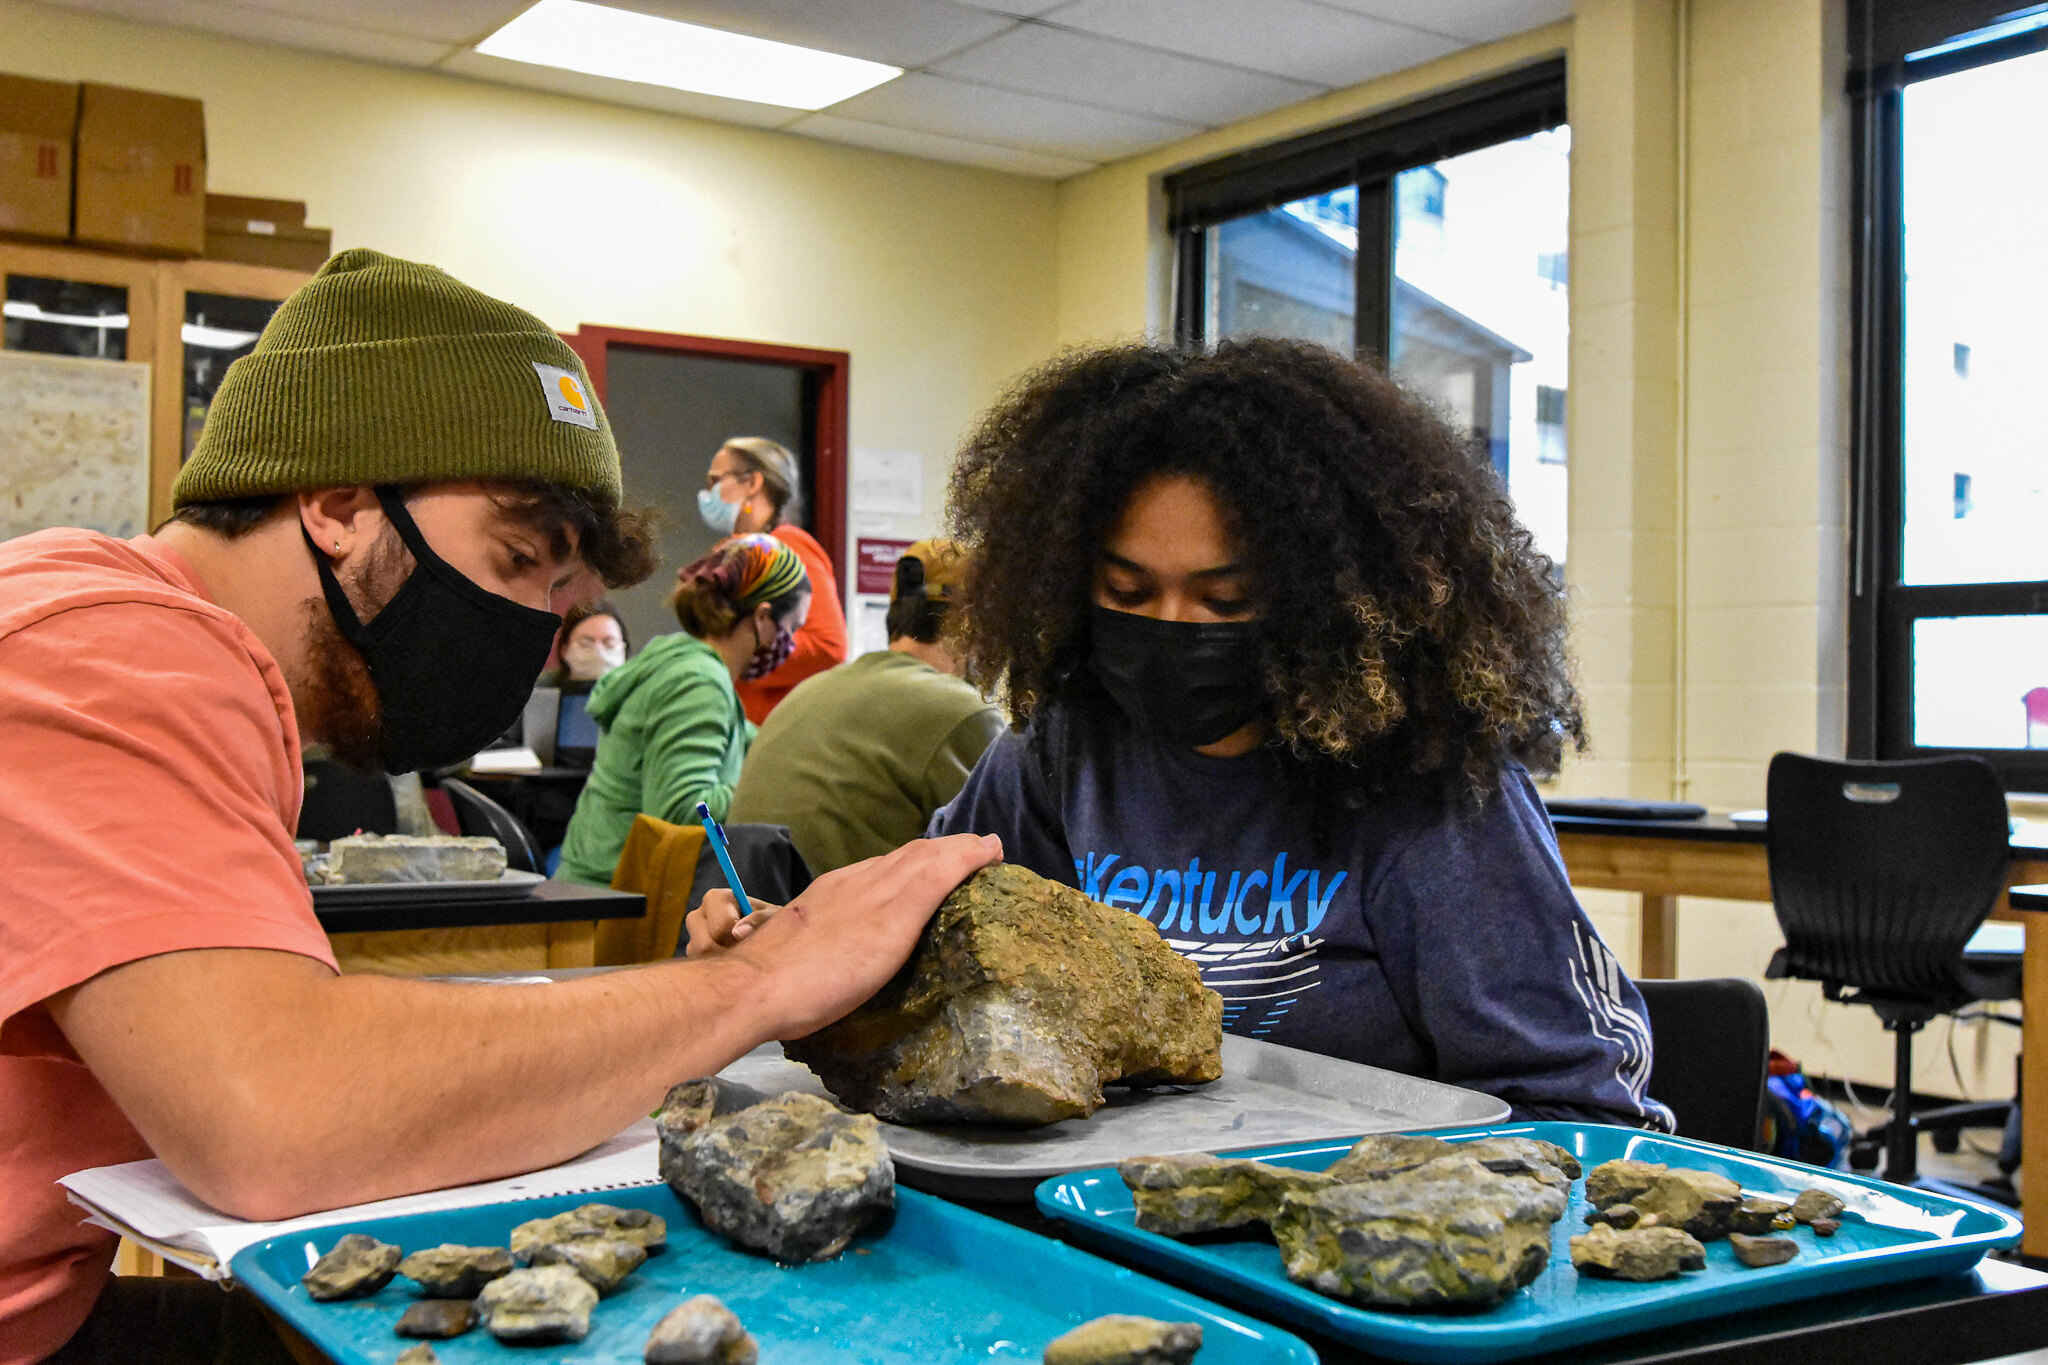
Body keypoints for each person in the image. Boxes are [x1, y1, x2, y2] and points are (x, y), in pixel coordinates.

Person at [0, 249, 1001, 1365]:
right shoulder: (109, 655)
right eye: (516, 561)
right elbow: (276, 1111)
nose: (533, 628)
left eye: (558, 594)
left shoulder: (143, 644)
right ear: (336, 502)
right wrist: (762, 983)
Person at [923, 339, 1669, 1129]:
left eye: (1225, 598)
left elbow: (1578, 1106)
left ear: (1323, 598)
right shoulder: (1064, 749)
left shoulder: (1427, 794)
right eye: (1128, 590)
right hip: (1117, 1206)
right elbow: (928, 944)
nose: (1172, 628)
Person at [728, 540, 1007, 875]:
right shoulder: (963, 712)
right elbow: (1008, 863)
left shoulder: (811, 690)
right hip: (836, 922)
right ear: (974, 625)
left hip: (752, 917)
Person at [555, 534, 811, 887]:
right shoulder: (698, 682)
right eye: (792, 627)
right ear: (764, 618)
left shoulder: (684, 662)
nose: (791, 643)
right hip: (617, 905)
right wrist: (768, 786)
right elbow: (680, 812)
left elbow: (748, 744)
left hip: (603, 890)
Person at [698, 436, 848, 722]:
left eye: (715, 481)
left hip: (776, 732)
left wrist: (738, 654)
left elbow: (830, 647)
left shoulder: (789, 545)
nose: (708, 493)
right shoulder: (738, 550)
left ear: (753, 483)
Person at [545, 598, 630, 686]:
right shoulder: (537, 691)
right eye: (586, 644)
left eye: (609, 643)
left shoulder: (640, 693)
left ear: (624, 648)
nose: (599, 652)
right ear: (565, 650)